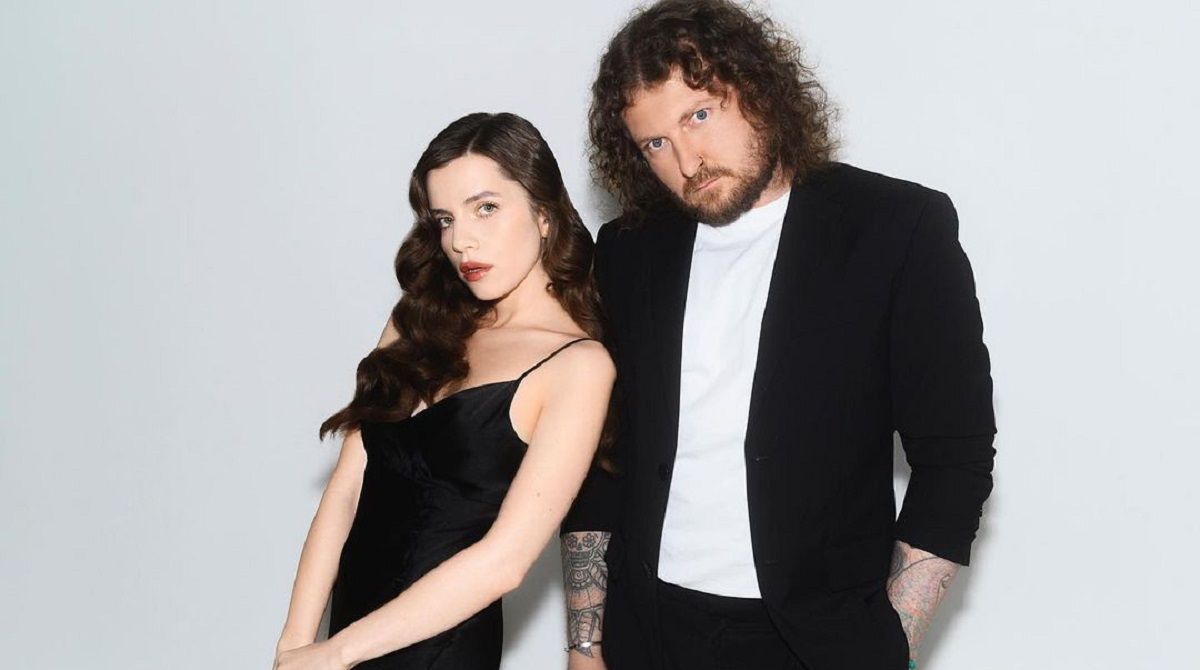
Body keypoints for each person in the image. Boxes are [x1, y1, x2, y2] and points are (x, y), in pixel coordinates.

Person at [559, 1, 996, 669]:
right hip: (647, 630)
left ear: (758, 88)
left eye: (698, 115)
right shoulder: (627, 251)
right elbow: (599, 456)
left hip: (813, 640)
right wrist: (586, 644)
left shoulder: (896, 228)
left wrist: (887, 646)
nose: (687, 160)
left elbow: (955, 458)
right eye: (655, 144)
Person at [274, 112, 615, 670]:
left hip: (440, 652)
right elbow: (346, 489)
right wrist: (293, 645)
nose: (461, 240)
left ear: (544, 214)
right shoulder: (419, 320)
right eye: (445, 219)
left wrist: (337, 653)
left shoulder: (578, 366)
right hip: (342, 641)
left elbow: (505, 561)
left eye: (486, 208)